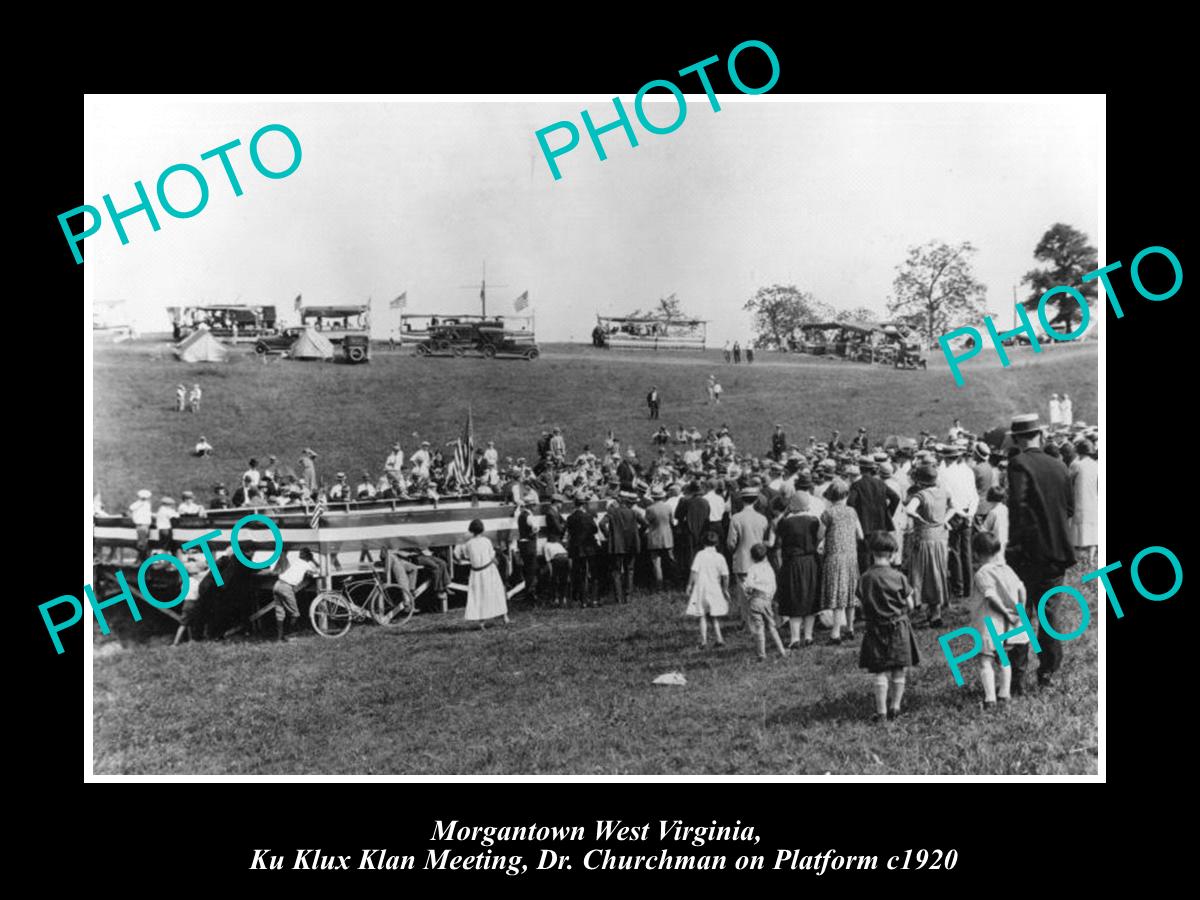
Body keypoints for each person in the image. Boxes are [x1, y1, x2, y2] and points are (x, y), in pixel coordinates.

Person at [1006, 413, 1074, 690]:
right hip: (1057, 553)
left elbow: (1018, 507)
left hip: (1027, 554)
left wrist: (1014, 546)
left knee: (1021, 613)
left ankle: (1017, 676)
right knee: (1049, 614)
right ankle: (1048, 672)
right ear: (1040, 435)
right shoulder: (1059, 466)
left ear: (1018, 438)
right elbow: (1069, 509)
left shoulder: (1018, 464)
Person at [857, 531, 920, 723]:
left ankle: (881, 711)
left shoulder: (865, 578)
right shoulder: (899, 576)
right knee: (898, 669)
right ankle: (896, 707)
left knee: (879, 671)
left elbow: (860, 605)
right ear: (892, 554)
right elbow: (910, 604)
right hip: (898, 627)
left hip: (875, 628)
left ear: (871, 554)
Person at [970, 530, 1030, 703]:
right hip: (1009, 625)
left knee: (985, 661)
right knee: (1004, 659)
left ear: (975, 553)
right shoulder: (1007, 569)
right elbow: (1022, 589)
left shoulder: (982, 573)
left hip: (990, 624)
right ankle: (1005, 693)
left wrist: (1004, 611)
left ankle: (990, 698)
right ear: (997, 550)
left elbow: (990, 597)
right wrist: (1019, 610)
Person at [905, 461, 953, 627]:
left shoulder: (921, 495)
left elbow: (909, 509)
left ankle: (928, 611)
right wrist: (944, 520)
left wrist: (918, 518)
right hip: (940, 538)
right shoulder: (943, 491)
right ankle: (935, 612)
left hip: (924, 538)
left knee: (923, 575)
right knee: (937, 573)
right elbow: (953, 507)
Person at [775, 491, 824, 648]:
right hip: (811, 561)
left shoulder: (785, 523)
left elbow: (779, 537)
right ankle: (808, 636)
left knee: (794, 598)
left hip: (792, 562)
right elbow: (819, 538)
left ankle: (795, 638)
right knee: (810, 598)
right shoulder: (814, 521)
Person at [820, 478, 863, 643]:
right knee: (850, 592)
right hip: (851, 556)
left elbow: (820, 534)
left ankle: (835, 632)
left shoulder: (828, 513)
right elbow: (860, 534)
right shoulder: (852, 512)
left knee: (838, 594)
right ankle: (850, 628)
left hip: (835, 556)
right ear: (846, 495)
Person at [453, 519, 510, 629]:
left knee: (479, 596)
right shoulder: (486, 541)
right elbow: (492, 556)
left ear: (471, 530)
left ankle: (482, 622)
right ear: (482, 530)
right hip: (488, 570)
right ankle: (504, 617)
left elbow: (465, 556)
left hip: (477, 572)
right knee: (496, 592)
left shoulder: (468, 544)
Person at [686, 529, 730, 649]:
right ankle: (719, 638)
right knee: (713, 615)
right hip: (714, 587)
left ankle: (703, 641)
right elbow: (725, 575)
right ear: (717, 543)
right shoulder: (720, 557)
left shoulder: (700, 555)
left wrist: (689, 585)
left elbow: (694, 571)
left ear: (703, 542)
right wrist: (725, 589)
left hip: (701, 587)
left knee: (702, 615)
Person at [727, 484, 768, 610]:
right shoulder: (762, 518)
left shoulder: (736, 518)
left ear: (741, 500)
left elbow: (731, 542)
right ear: (756, 500)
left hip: (742, 559)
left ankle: (745, 620)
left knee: (744, 594)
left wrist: (734, 551)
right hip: (760, 560)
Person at [744, 543, 785, 660]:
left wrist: (748, 591)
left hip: (755, 600)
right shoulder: (769, 568)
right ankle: (782, 650)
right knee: (772, 626)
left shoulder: (752, 569)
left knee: (759, 627)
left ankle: (761, 654)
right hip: (767, 599)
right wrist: (770, 596)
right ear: (766, 555)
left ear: (752, 557)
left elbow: (749, 585)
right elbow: (774, 586)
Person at [271, 548, 319, 642]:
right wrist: (313, 560)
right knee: (295, 614)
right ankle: (288, 635)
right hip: (286, 587)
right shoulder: (306, 565)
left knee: (280, 613)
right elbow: (318, 570)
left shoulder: (296, 562)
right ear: (309, 557)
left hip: (277, 584)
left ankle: (279, 638)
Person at [602, 491, 641, 604]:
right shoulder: (633, 513)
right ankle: (628, 596)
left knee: (616, 571)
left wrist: (608, 535)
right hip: (631, 544)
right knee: (630, 570)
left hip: (617, 545)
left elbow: (601, 524)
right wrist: (636, 534)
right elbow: (646, 523)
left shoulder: (612, 512)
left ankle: (618, 598)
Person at [566, 494, 600, 607]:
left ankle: (583, 601)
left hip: (576, 549)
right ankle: (594, 600)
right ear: (583, 504)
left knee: (581, 575)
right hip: (590, 548)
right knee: (593, 574)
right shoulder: (588, 517)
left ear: (575, 504)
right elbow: (595, 530)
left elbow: (569, 533)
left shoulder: (570, 518)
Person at [1069, 439, 1098, 570]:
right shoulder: (1096, 465)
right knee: (1093, 528)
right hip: (1093, 500)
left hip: (1079, 499)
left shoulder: (1076, 464)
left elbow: (1068, 481)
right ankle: (1091, 560)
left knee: (1077, 528)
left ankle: (1075, 559)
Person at [644, 486, 675, 588]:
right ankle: (670, 581)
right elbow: (671, 521)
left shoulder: (650, 509)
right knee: (669, 560)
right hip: (667, 536)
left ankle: (659, 584)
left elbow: (646, 522)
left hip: (654, 536)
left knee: (656, 562)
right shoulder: (668, 507)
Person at [515, 499, 540, 603]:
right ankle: (531, 594)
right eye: (534, 505)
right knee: (531, 569)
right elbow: (536, 528)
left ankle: (528, 592)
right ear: (531, 506)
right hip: (529, 544)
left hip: (522, 544)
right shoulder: (529, 516)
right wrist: (533, 534)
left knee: (526, 568)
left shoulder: (521, 515)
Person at [980, 486, 1010, 560]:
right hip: (1003, 538)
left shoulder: (993, 512)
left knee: (994, 559)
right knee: (1001, 557)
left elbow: (984, 529)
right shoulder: (1005, 509)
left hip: (993, 541)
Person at [543, 534, 570, 606]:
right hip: (565, 557)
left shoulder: (546, 545)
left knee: (555, 580)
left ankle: (556, 598)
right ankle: (563, 598)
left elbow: (548, 560)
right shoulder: (558, 544)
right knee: (564, 579)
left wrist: (552, 572)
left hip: (557, 558)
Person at [129, 489, 153, 561]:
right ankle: (142, 560)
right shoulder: (142, 504)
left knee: (143, 542)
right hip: (142, 524)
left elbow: (131, 508)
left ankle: (141, 560)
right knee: (142, 543)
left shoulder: (142, 504)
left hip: (143, 524)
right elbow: (131, 508)